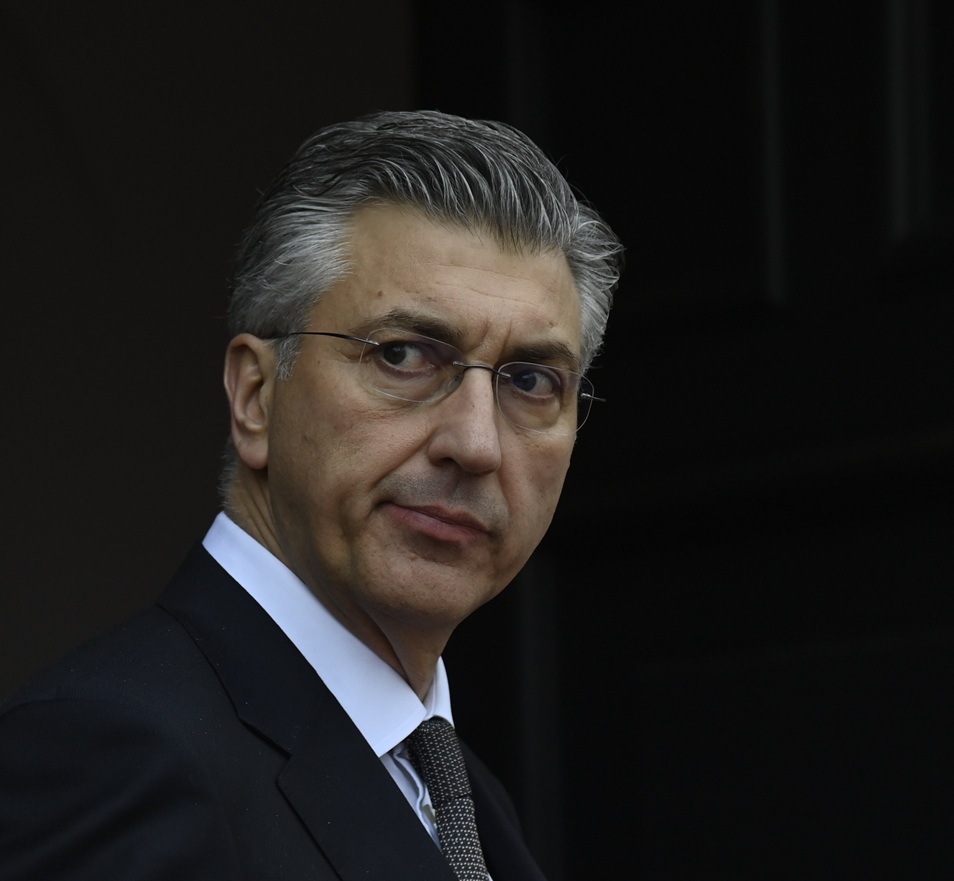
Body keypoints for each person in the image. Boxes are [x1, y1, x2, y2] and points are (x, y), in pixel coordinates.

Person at [0, 109, 622, 880]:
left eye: (530, 379)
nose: (476, 443)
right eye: (403, 355)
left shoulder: (464, 795)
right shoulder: (109, 749)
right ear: (256, 397)